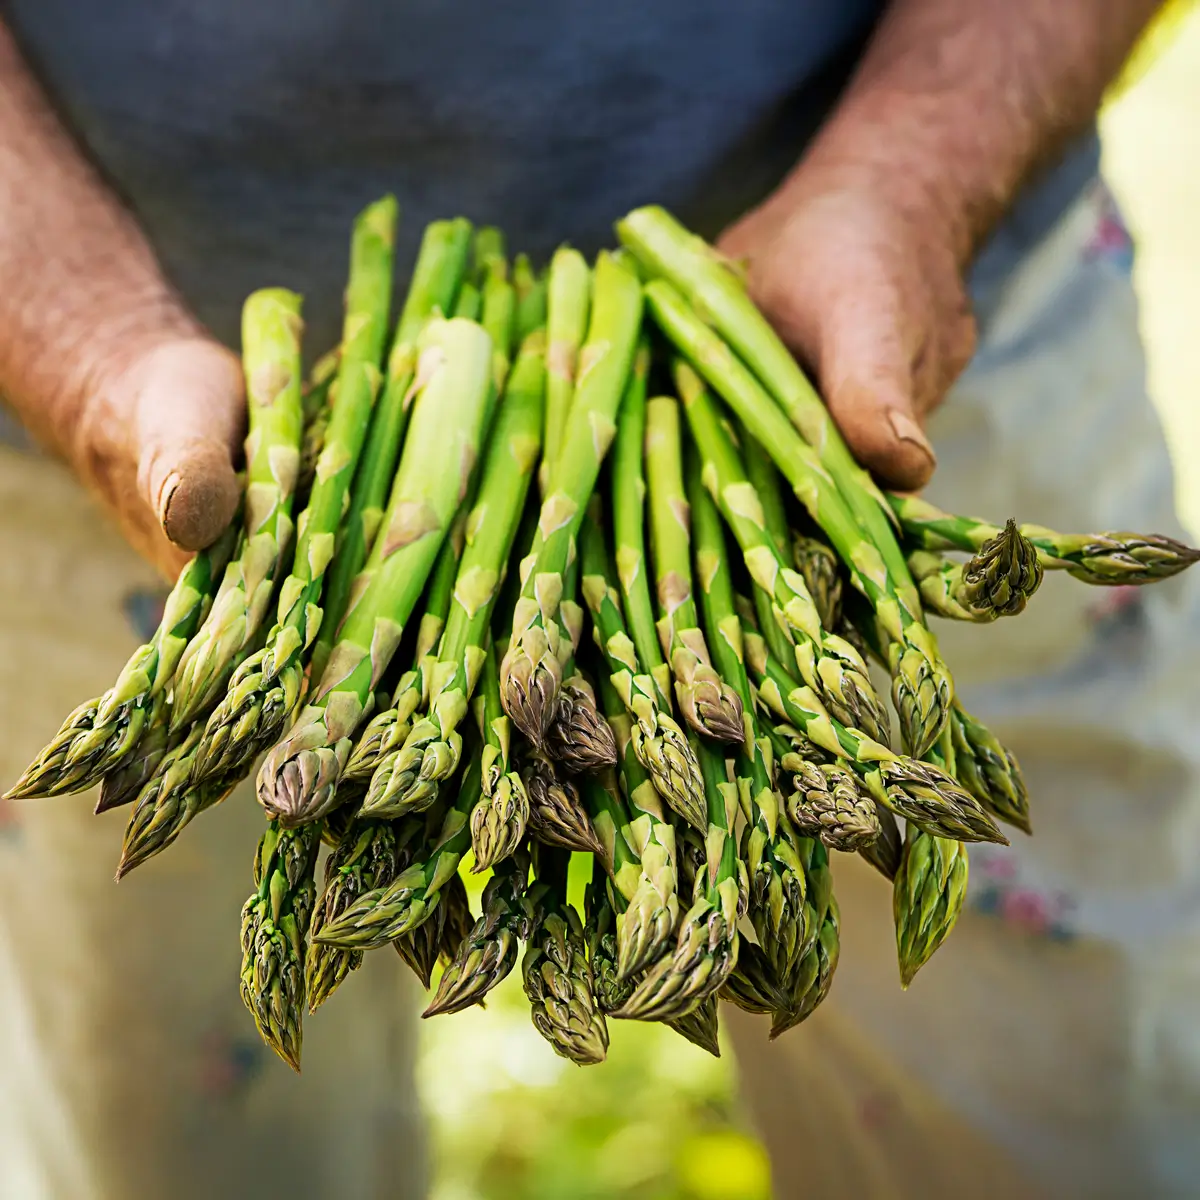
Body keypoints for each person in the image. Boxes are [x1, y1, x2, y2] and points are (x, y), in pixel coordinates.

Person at [0, 1, 1192, 1196]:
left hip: (864, 352)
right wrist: (80, 337)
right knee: (186, 1151)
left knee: (1064, 1128)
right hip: (176, 436)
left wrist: (918, 174)